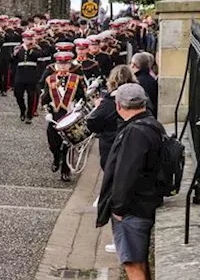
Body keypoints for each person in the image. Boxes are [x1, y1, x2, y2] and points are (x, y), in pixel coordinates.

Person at [96, 83, 165, 280]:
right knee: (136, 265)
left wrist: (119, 208)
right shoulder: (148, 125)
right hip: (141, 204)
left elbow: (127, 174)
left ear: (119, 105)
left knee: (134, 266)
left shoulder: (136, 132)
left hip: (133, 209)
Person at [41, 52, 87, 182]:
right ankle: (56, 158)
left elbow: (82, 97)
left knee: (69, 144)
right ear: (56, 65)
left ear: (69, 65)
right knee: (53, 143)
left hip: (69, 114)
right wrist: (47, 112)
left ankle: (65, 170)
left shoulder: (76, 79)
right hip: (55, 115)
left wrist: (78, 106)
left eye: (66, 64)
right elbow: (45, 99)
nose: (63, 67)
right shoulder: (50, 79)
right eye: (60, 64)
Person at [85, 65, 137, 171]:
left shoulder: (109, 102)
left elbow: (92, 124)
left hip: (112, 147)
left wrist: (97, 108)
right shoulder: (139, 95)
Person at [13, 30, 46, 124]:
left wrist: (31, 49)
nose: (29, 41)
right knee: (18, 94)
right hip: (20, 74)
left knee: (31, 96)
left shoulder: (36, 49)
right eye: (27, 39)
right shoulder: (18, 48)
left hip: (32, 74)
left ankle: (29, 115)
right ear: (23, 39)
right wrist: (14, 54)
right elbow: (12, 60)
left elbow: (40, 55)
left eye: (31, 39)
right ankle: (22, 110)